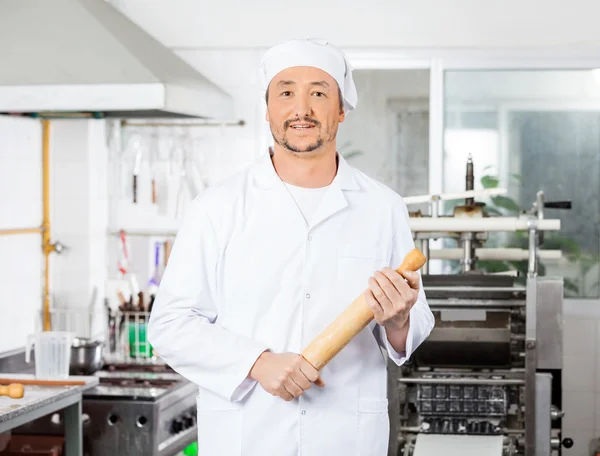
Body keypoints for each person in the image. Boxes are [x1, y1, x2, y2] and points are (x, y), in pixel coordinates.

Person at [147, 38, 434, 456]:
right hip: (247, 436)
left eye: (319, 92)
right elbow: (169, 324)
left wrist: (398, 320)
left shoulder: (382, 207)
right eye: (286, 92)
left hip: (345, 438)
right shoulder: (217, 207)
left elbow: (414, 324)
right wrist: (257, 363)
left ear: (340, 109)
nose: (302, 108)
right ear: (268, 110)